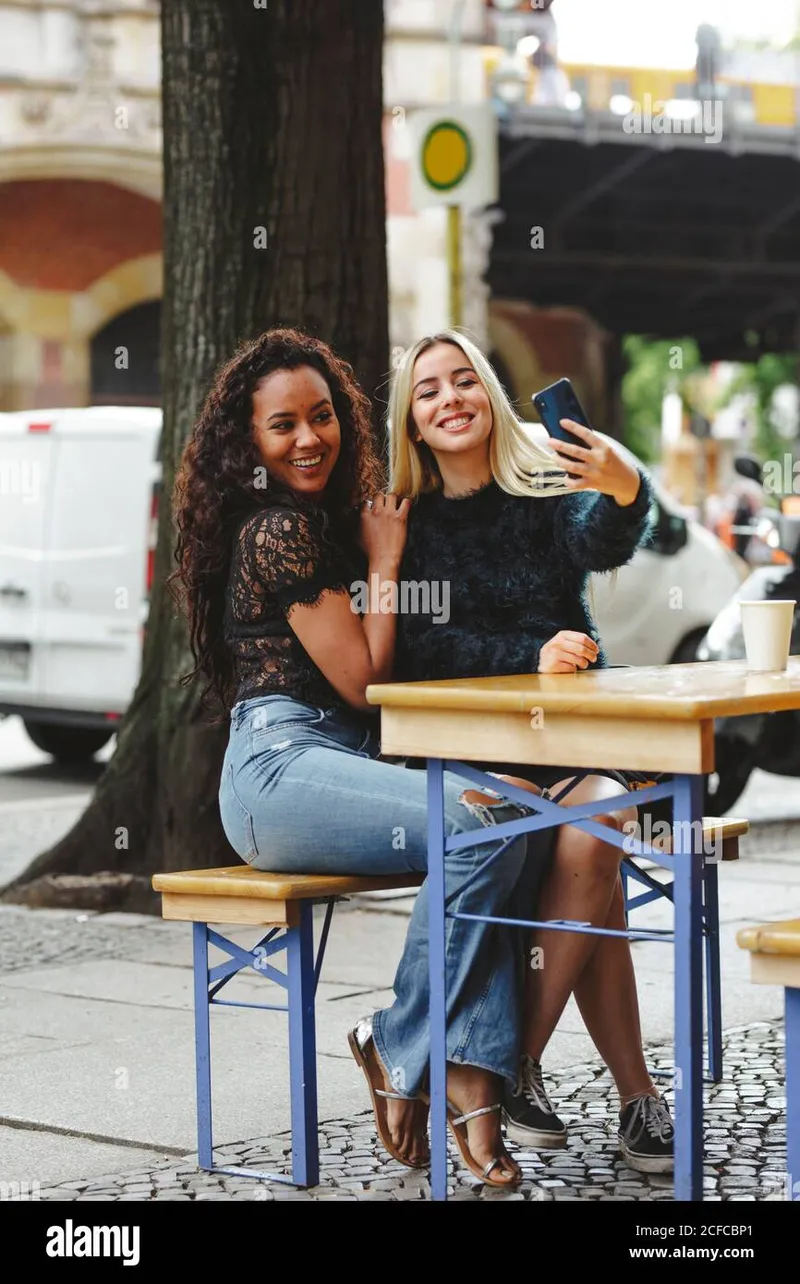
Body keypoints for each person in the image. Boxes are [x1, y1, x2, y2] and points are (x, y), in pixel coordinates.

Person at [170, 326, 560, 1188]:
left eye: (323, 417)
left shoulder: (327, 524)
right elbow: (364, 680)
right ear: (251, 444)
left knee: (516, 819)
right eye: (283, 426)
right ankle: (423, 1057)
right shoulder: (278, 531)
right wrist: (384, 562)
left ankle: (439, 1057)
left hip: (340, 760)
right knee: (479, 827)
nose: (309, 439)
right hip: (279, 770)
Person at [387, 329, 676, 1174]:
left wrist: (625, 489)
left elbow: (603, 539)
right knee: (598, 883)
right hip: (481, 755)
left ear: (492, 395)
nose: (450, 400)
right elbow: (417, 647)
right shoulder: (412, 521)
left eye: (464, 381)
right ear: (410, 416)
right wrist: (527, 657)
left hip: (576, 739)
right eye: (429, 389)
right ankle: (636, 1097)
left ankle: (512, 1063)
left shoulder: (543, 488)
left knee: (598, 827)